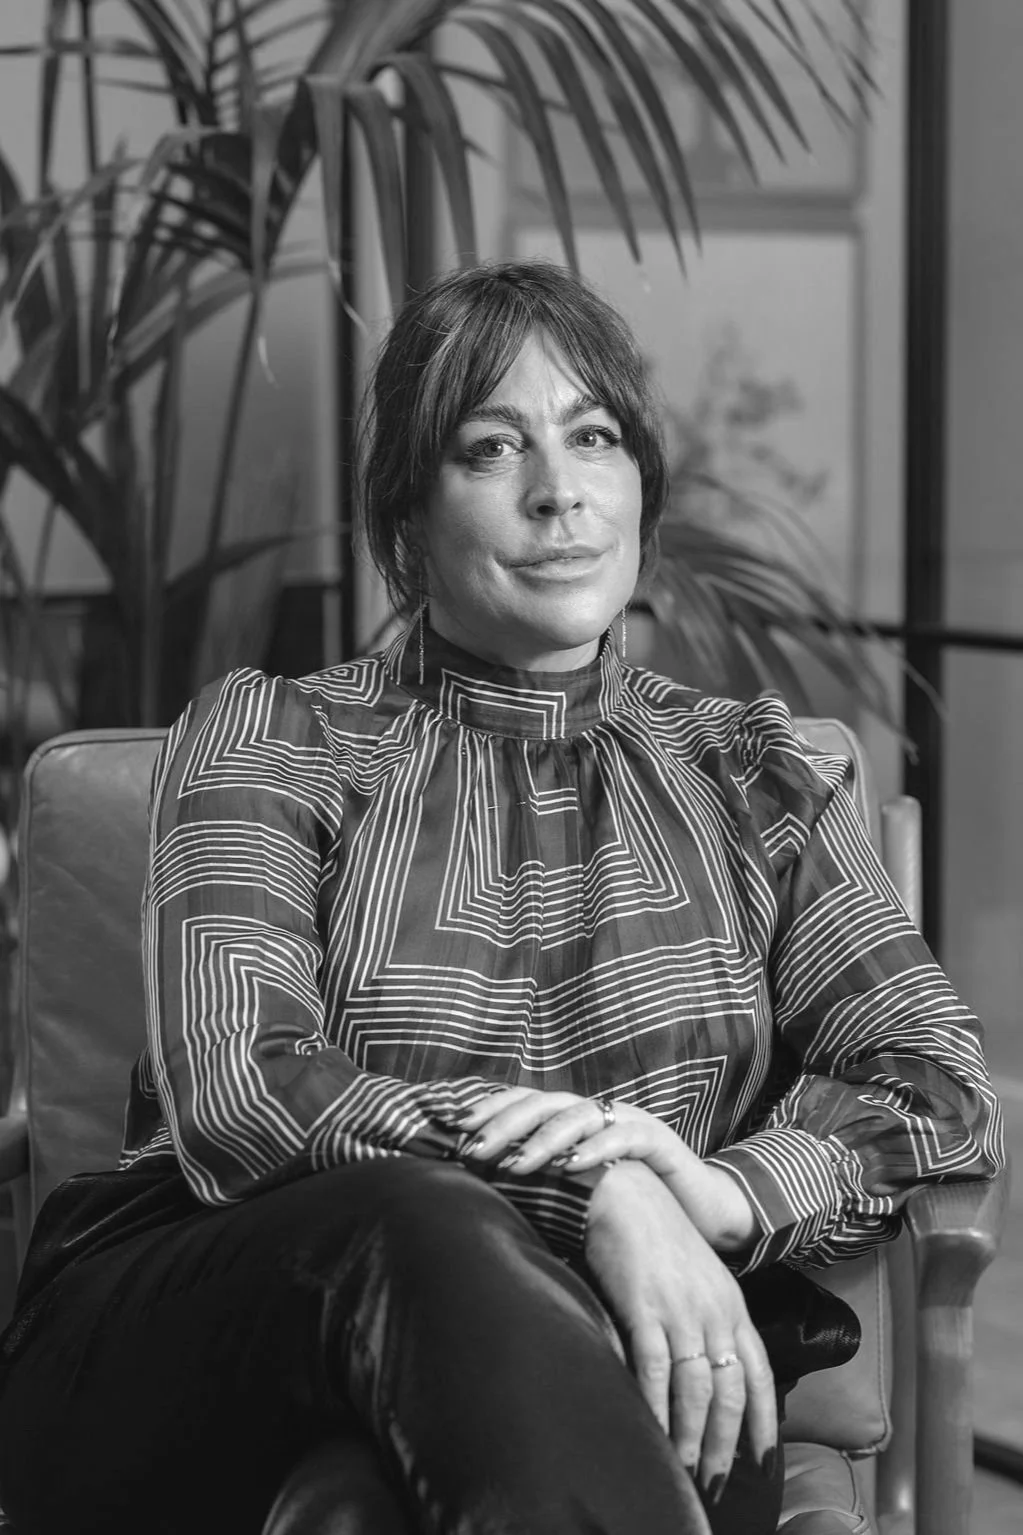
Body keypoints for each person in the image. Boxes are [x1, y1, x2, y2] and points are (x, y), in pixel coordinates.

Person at [0, 259, 1004, 1535]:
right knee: (421, 1221)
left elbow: (937, 1080)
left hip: (627, 1362)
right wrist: (600, 1190)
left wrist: (720, 1191)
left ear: (641, 484)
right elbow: (247, 1091)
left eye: (595, 437)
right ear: (407, 526)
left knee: (378, 1498)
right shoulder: (274, 738)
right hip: (204, 1336)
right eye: (492, 446)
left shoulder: (756, 773)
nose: (560, 491)